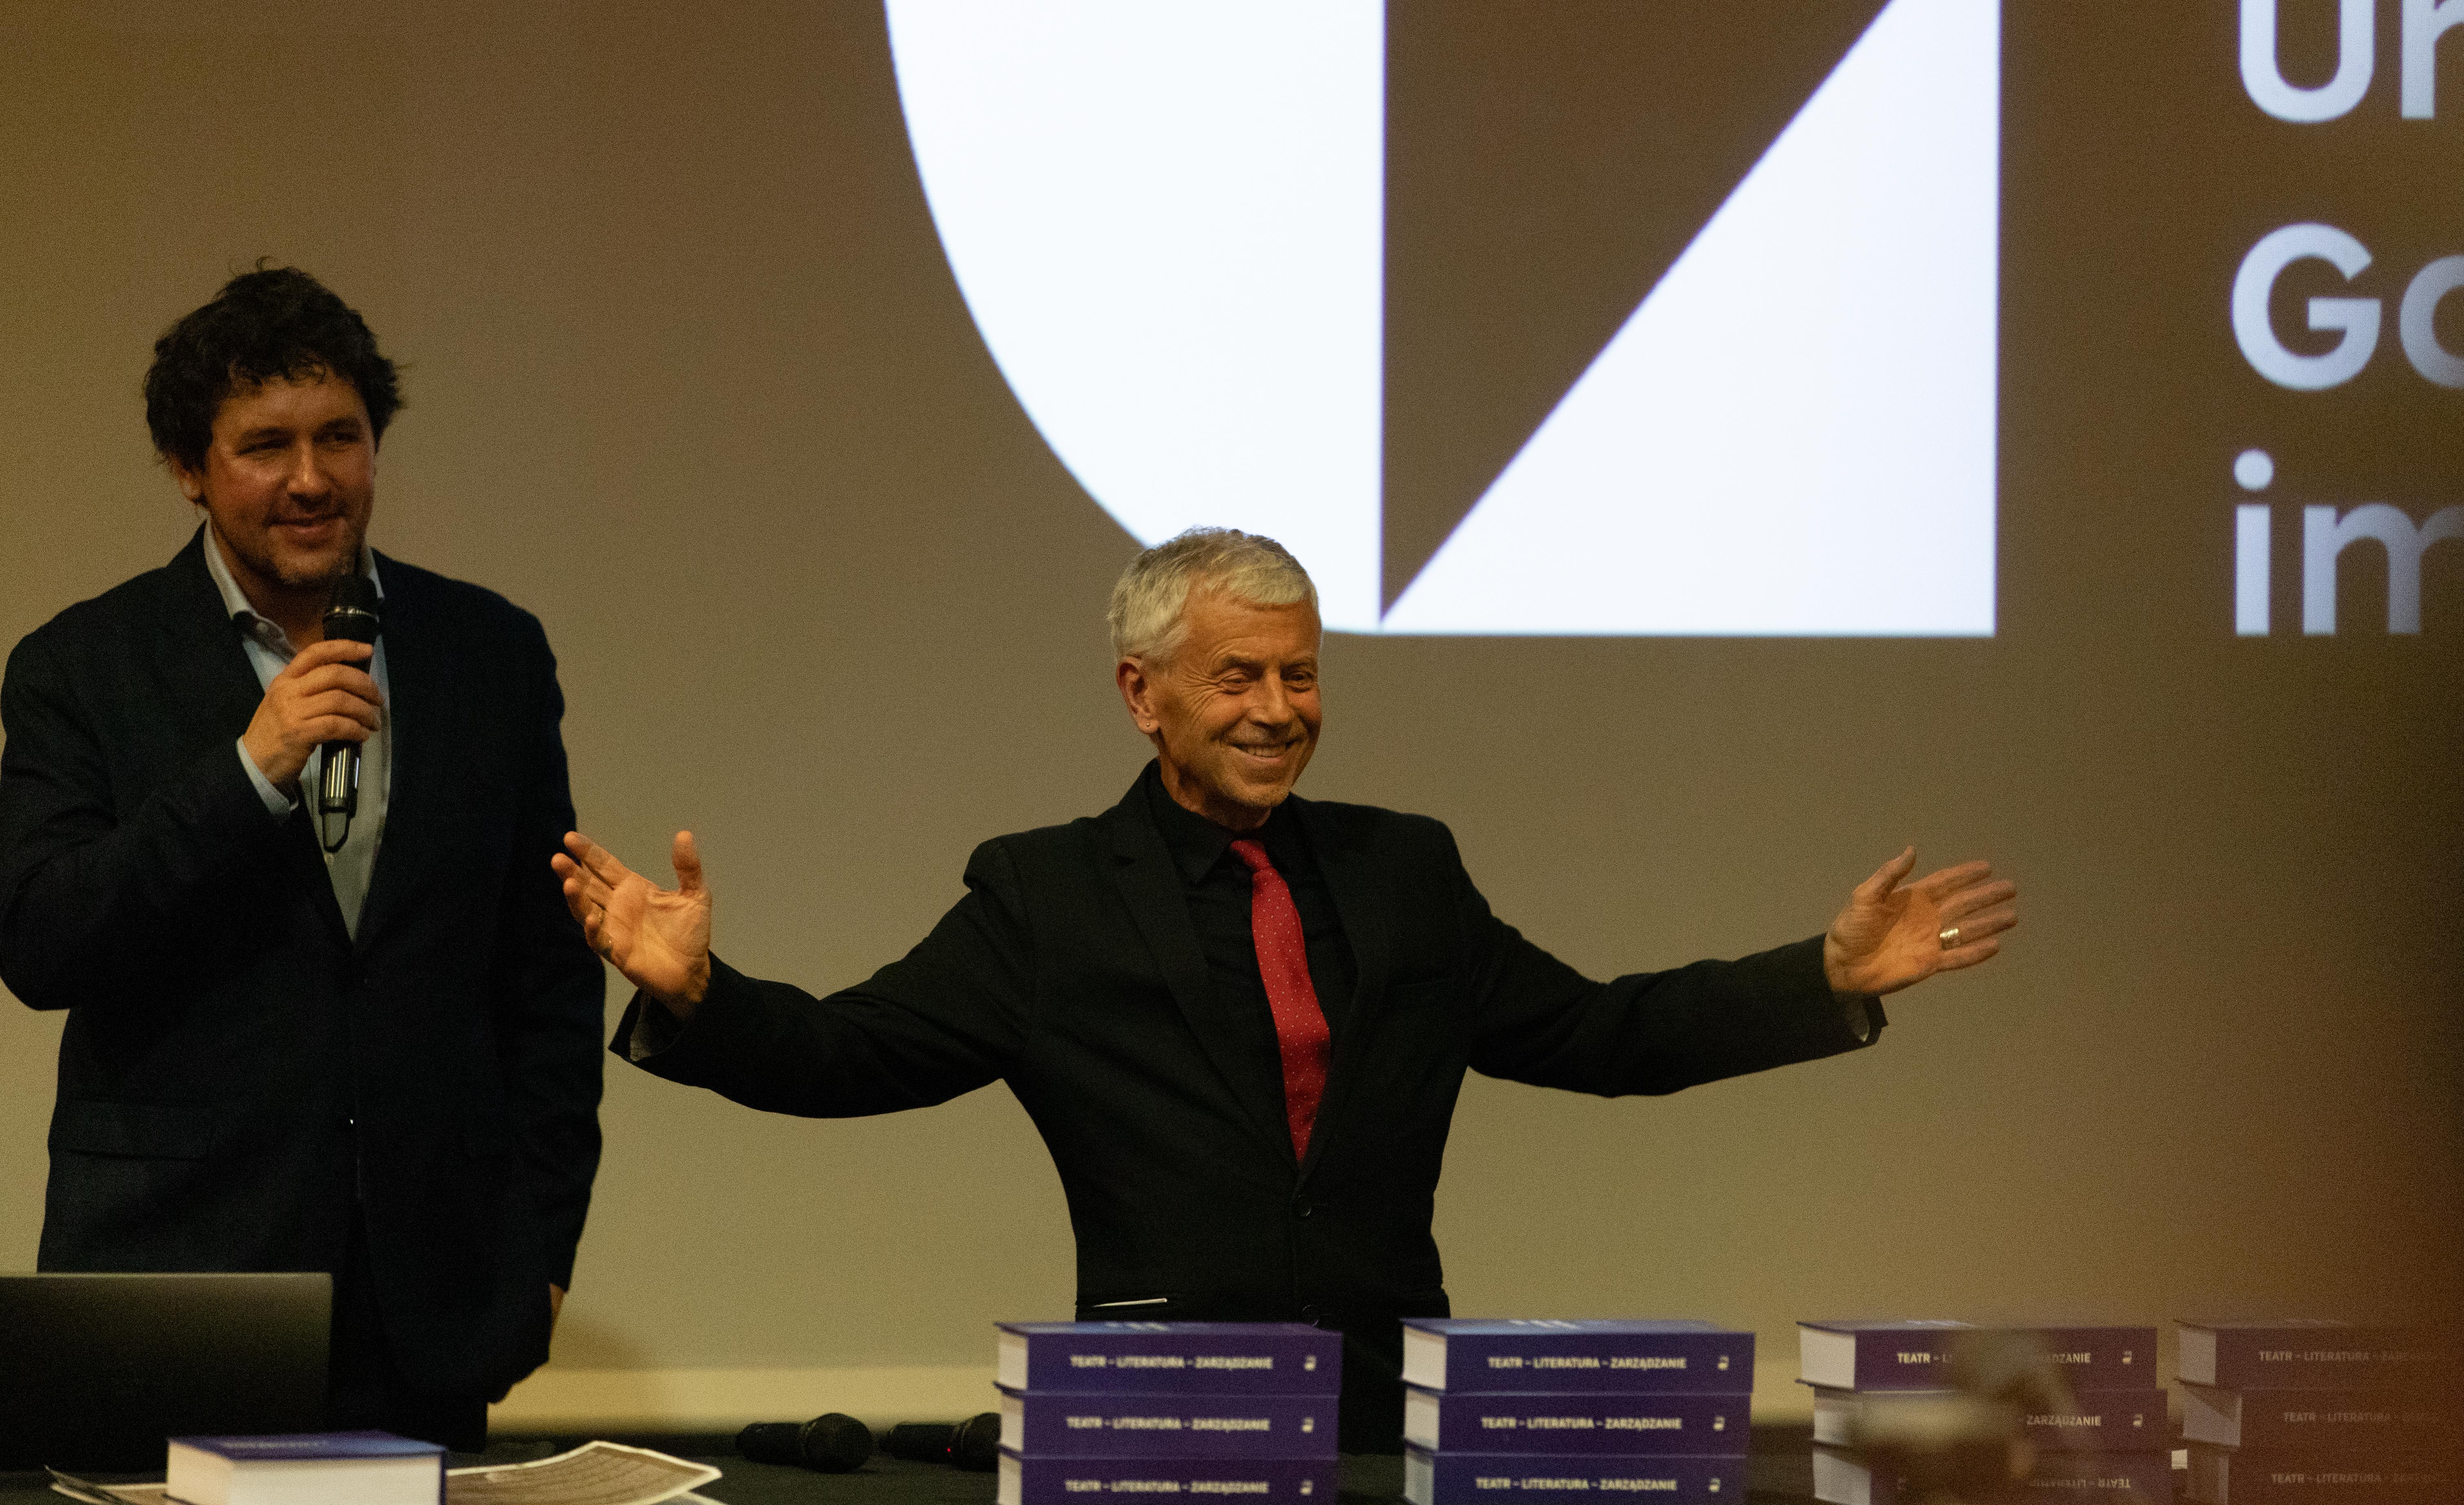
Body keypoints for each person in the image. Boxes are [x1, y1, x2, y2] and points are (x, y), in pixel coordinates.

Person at [556, 529, 2016, 1450]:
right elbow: (848, 1054)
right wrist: (700, 990)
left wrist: (1822, 977)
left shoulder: (1404, 869)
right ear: (1142, 694)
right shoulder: (1047, 893)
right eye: (1238, 676)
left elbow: (1597, 1032)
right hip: (1157, 1418)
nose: (1277, 711)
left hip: (1390, 1409)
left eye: (1301, 675)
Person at [0, 267, 604, 1452]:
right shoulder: (82, 664)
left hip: (425, 1296)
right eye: (265, 446)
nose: (313, 478)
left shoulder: (487, 652)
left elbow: (545, 978)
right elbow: (42, 938)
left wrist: (543, 1245)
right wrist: (249, 772)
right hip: (175, 1277)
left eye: (341, 437)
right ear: (189, 467)